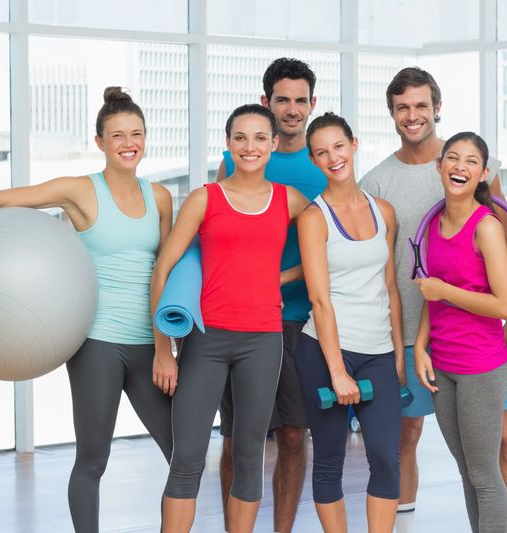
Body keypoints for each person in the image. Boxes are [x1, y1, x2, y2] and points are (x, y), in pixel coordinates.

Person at [0, 88, 175, 533]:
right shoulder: (79, 191)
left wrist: (166, 347)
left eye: (136, 133)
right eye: (117, 135)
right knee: (93, 458)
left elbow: (166, 271)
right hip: (95, 341)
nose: (128, 142)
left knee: (182, 453)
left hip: (148, 343)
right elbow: (1, 199)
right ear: (100, 141)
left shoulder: (159, 198)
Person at [358, 67, 507, 516]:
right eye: (402, 107)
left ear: (437, 108)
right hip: (419, 336)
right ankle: (408, 519)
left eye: (421, 105)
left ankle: (498, 523)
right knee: (410, 438)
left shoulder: (477, 182)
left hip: (480, 340)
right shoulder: (375, 182)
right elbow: (379, 269)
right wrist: (401, 343)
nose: (413, 116)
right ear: (391, 113)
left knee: (499, 444)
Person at [152, 104, 308, 533]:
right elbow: (164, 268)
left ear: (274, 145)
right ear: (228, 144)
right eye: (241, 137)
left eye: (260, 138)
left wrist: (277, 278)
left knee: (249, 454)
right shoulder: (206, 198)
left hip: (263, 340)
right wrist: (163, 349)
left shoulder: (289, 200)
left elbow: (329, 245)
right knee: (187, 457)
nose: (250, 146)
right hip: (207, 340)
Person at [216, 57, 326, 533]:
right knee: (238, 439)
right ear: (266, 102)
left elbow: (334, 244)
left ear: (312, 104)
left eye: (301, 100)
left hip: (299, 319)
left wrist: (279, 279)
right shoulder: (237, 158)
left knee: (294, 435)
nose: (292, 109)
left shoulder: (323, 166)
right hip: (238, 318)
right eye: (282, 99)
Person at [295, 112, 404, 532]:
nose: (332, 158)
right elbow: (320, 300)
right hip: (324, 352)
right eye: (321, 152)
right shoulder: (313, 218)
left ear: (354, 144)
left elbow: (390, 287)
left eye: (338, 147)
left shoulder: (385, 212)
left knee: (385, 458)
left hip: (379, 352)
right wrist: (338, 371)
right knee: (329, 460)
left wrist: (394, 352)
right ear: (313, 159)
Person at [414, 132, 507, 533]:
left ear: (483, 173)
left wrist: (445, 291)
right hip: (443, 366)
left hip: (480, 367)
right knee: (467, 472)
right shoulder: (434, 224)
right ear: (439, 166)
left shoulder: (486, 227)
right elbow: (430, 295)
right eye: (452, 158)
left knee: (484, 475)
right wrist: (421, 347)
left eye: (471, 161)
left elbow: (504, 307)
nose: (460, 166)